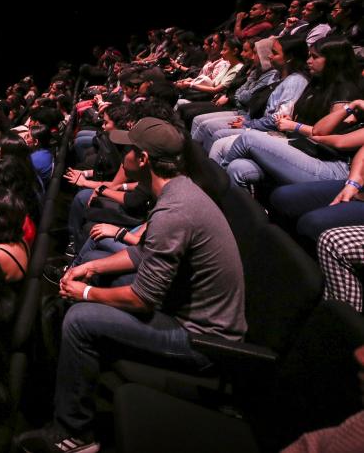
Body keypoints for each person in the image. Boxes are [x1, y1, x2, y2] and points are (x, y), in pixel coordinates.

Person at [18, 118, 246, 453]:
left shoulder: (175, 210)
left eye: (128, 150)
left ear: (143, 160)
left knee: (79, 320)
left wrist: (83, 292)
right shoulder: (179, 191)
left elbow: (142, 299)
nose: (122, 155)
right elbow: (143, 253)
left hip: (203, 338)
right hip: (184, 306)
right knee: (94, 274)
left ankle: (75, 434)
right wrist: (92, 267)